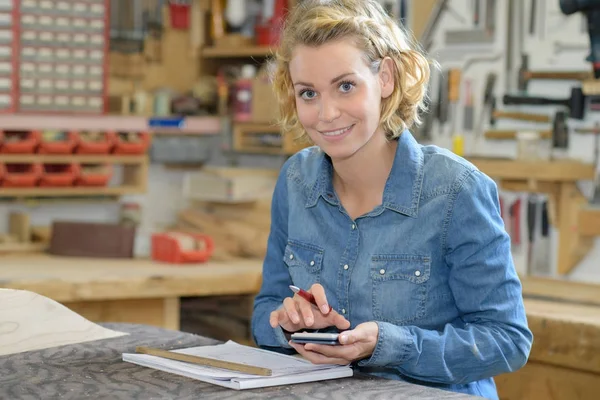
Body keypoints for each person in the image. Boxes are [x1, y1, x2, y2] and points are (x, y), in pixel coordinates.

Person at [251, 1, 533, 398]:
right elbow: (265, 312)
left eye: (345, 86)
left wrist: (392, 345)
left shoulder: (455, 191)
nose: (326, 113)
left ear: (384, 78)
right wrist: (289, 323)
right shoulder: (295, 182)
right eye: (308, 93)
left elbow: (507, 341)